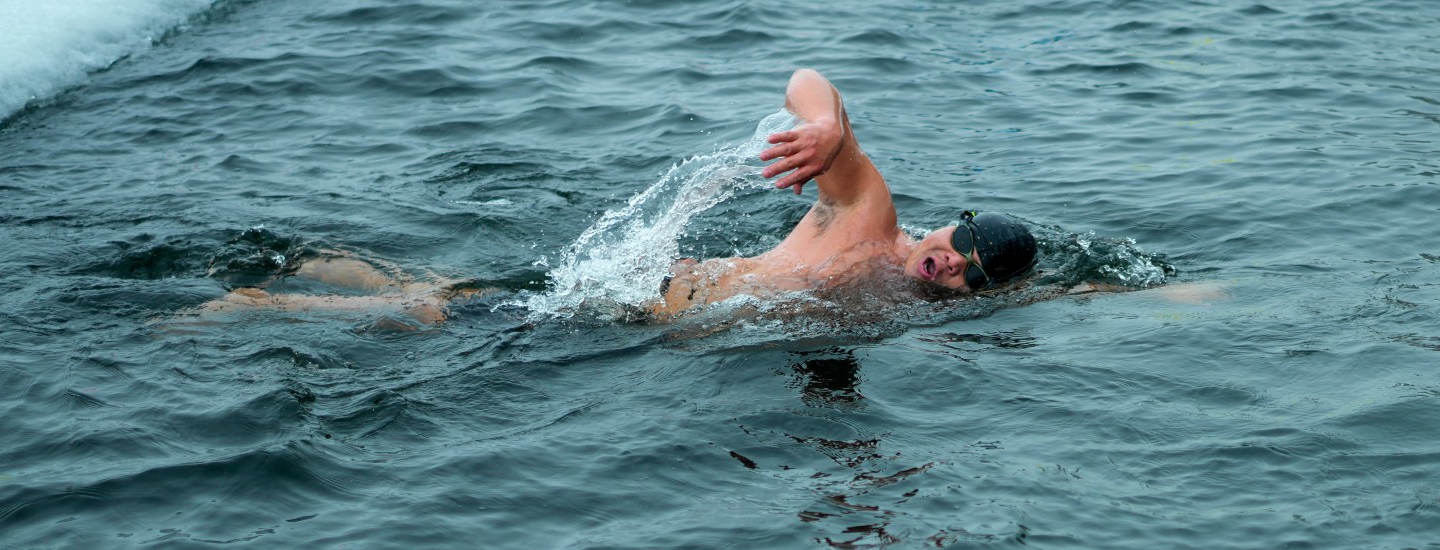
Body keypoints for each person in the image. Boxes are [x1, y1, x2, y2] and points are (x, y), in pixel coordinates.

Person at [200, 68, 1037, 324]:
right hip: (641, 300)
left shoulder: (898, 299)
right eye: (957, 246)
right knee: (434, 315)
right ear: (948, 223)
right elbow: (811, 82)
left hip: (635, 304)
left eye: (967, 276)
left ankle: (314, 265)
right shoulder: (871, 217)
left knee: (453, 297)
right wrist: (821, 129)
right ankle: (252, 305)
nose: (948, 266)